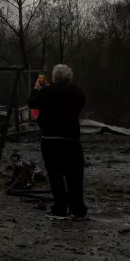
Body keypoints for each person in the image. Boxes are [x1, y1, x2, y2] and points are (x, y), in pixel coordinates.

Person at [28, 64, 87, 219]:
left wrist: (36, 88)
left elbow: (32, 102)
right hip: (72, 140)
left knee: (55, 176)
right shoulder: (76, 92)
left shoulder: (45, 92)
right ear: (69, 78)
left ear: (54, 77)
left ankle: (60, 208)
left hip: (51, 140)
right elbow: (81, 103)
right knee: (74, 176)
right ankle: (78, 208)